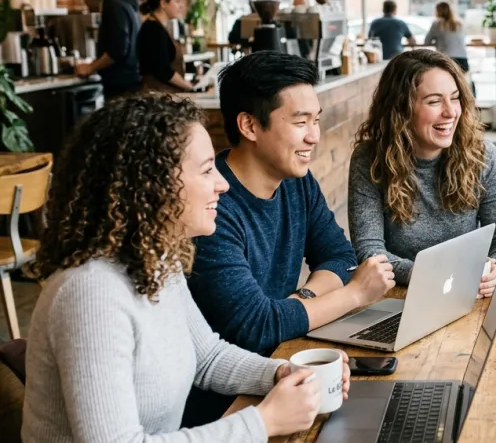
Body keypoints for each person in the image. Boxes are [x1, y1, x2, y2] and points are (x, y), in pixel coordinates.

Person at [21, 95, 350, 442]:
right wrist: (262, 422)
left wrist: (286, 373)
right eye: (207, 170)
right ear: (151, 185)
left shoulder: (155, 258)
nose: (222, 183)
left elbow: (207, 356)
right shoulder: (90, 293)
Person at [183, 51, 394, 426]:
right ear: (249, 125)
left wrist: (300, 301)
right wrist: (354, 295)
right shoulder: (211, 208)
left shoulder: (295, 181)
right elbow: (257, 326)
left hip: (284, 367)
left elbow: (341, 256)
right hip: (227, 408)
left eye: (316, 120)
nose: (314, 136)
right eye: (300, 122)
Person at [349, 49, 496, 296]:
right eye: (434, 101)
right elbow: (370, 252)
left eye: (455, 98)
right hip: (400, 295)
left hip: (468, 295)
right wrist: (430, 276)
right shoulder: (369, 160)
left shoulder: (482, 155)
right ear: (401, 109)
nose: (450, 112)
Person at [73, 0, 140, 98]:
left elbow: (117, 50)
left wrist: (91, 67)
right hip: (133, 79)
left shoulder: (113, 4)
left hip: (120, 85)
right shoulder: (127, 0)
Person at [137, 0, 194, 93]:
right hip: (158, 95)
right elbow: (162, 70)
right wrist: (188, 86)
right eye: (177, 1)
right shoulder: (153, 30)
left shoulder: (158, 27)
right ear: (163, 3)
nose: (181, 6)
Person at [426, 1, 470, 74]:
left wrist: (438, 41)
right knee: (461, 83)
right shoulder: (459, 23)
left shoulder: (437, 24)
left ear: (437, 11)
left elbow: (427, 41)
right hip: (463, 59)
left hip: (446, 59)